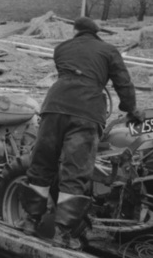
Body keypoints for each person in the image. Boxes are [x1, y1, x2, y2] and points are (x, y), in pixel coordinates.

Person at [19, 17, 143, 249]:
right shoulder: (109, 50)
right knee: (75, 171)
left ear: (75, 31)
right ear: (97, 33)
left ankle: (29, 221)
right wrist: (132, 109)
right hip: (87, 113)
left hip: (54, 107)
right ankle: (62, 233)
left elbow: (73, 74)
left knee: (42, 164)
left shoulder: (62, 48)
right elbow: (123, 84)